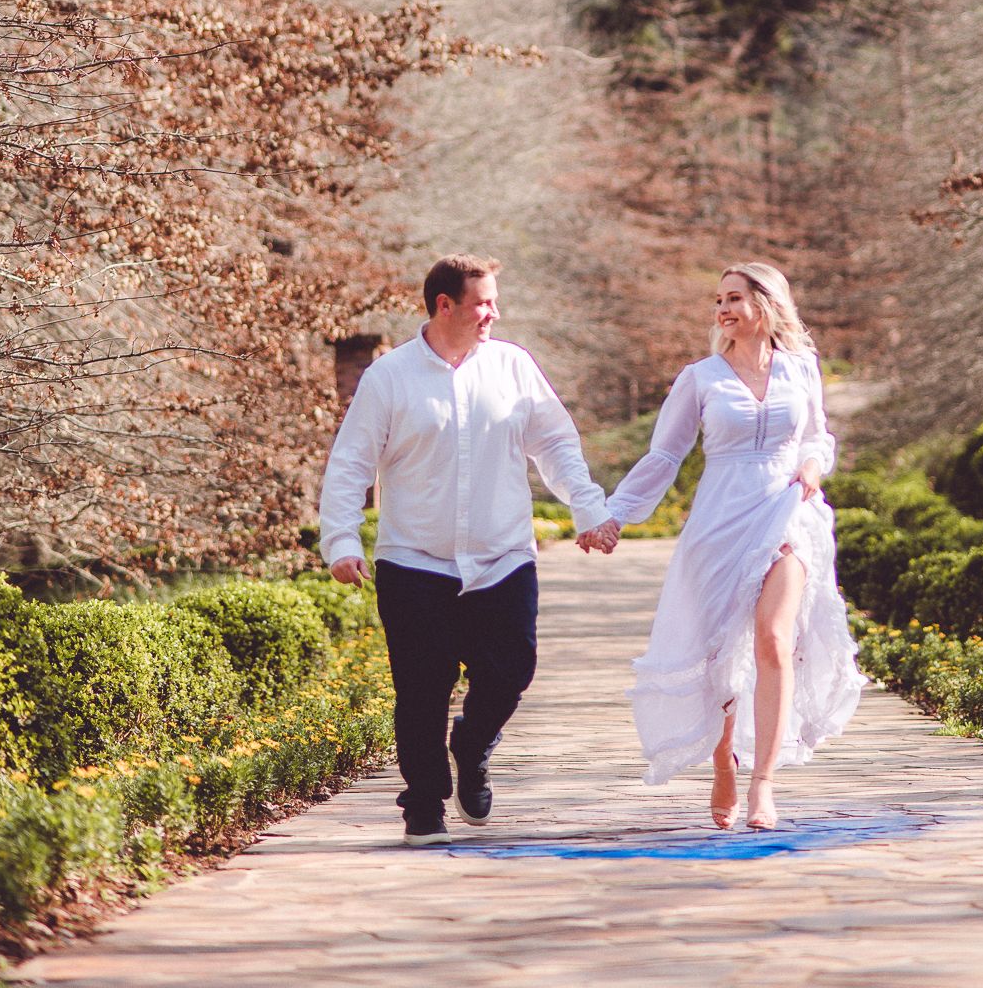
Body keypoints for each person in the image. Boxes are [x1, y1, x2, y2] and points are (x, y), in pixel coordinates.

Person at [319, 253, 611, 846]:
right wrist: (342, 539)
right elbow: (350, 464)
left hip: (502, 556)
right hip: (414, 561)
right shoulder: (390, 377)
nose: (493, 313)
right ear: (443, 305)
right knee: (421, 689)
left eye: (494, 301)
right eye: (482, 302)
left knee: (511, 671)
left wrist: (589, 509)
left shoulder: (513, 367)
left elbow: (555, 444)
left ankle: (472, 745)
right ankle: (423, 802)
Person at [580, 261, 862, 830]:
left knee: (773, 638)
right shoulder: (699, 378)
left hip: (788, 514)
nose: (723, 309)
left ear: (767, 303)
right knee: (717, 656)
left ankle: (763, 784)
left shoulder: (801, 368)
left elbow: (817, 438)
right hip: (720, 522)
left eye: (734, 297)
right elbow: (665, 456)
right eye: (719, 300)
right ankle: (724, 762)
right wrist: (615, 516)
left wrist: (811, 465)